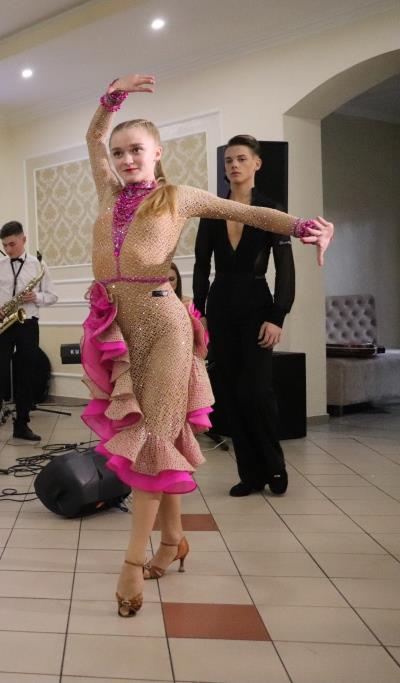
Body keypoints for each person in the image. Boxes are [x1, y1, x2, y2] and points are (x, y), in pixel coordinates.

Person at [79, 74, 333, 618]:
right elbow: (93, 136)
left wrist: (304, 226)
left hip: (164, 326)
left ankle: (132, 562)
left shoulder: (178, 197)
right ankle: (173, 542)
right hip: (117, 330)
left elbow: (251, 214)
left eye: (136, 150)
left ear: (157, 153)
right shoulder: (108, 193)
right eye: (119, 153)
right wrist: (112, 98)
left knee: (153, 440)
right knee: (160, 436)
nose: (125, 159)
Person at [194, 135, 295, 498]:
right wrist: (200, 313)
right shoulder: (213, 210)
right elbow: (201, 265)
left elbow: (285, 268)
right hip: (220, 308)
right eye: (228, 160)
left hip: (257, 308)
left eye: (241, 159)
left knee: (257, 391)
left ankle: (275, 466)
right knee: (232, 394)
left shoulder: (270, 210)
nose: (234, 165)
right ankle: (250, 475)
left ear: (256, 164)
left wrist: (278, 316)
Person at [0, 221, 57, 445]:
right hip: (2, 323)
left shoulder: (39, 266)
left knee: (26, 375)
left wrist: (37, 297)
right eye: (5, 245)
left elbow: (52, 295)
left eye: (12, 244)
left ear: (23, 239)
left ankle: (22, 425)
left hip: (27, 323)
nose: (8, 249)